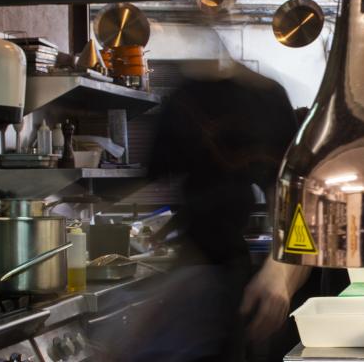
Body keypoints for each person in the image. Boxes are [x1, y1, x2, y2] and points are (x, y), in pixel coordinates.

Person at [106, 47, 312, 362]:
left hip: (243, 279)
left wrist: (279, 274)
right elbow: (164, 190)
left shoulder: (266, 98)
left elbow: (297, 208)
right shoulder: (181, 101)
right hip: (195, 275)